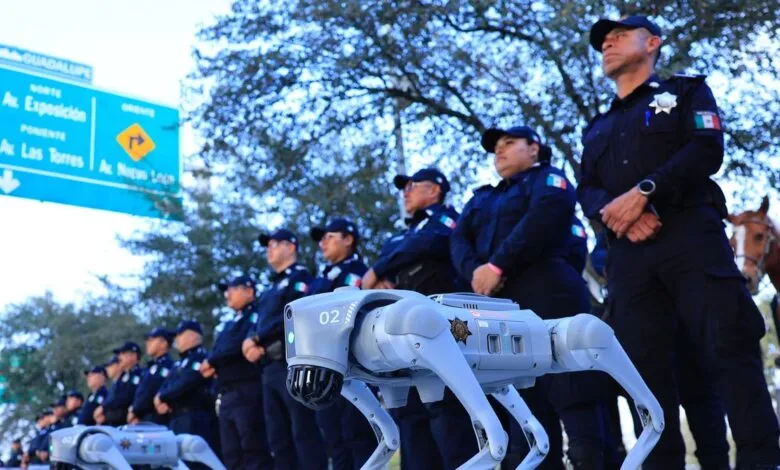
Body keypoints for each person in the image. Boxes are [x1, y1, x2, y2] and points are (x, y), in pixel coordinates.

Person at [580, 15, 780, 469]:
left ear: (652, 42)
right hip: (628, 257)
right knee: (643, 369)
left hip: (691, 236)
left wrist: (646, 192)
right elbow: (586, 189)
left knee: (730, 345)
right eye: (602, 42)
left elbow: (707, 147)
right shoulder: (596, 128)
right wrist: (625, 218)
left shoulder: (686, 92)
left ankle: (760, 461)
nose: (607, 44)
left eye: (618, 36)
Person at [450, 124, 607, 469]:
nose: (499, 152)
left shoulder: (550, 180)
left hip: (549, 292)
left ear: (534, 149)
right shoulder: (482, 197)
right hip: (499, 305)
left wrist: (497, 266)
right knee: (522, 403)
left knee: (573, 391)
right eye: (495, 148)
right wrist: (477, 271)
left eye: (509, 143)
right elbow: (458, 239)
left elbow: (542, 221)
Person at [364, 168, 477, 470]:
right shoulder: (403, 234)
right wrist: (384, 272)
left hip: (440, 328)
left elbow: (430, 243)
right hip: (403, 336)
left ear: (435, 190)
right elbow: (400, 249)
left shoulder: (448, 217)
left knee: (446, 413)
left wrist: (380, 269)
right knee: (410, 416)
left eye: (413, 186)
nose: (406, 192)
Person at [242, 228, 327, 470]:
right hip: (268, 367)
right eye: (267, 245)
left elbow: (295, 313)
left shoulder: (300, 279)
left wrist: (257, 338)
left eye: (274, 244)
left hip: (292, 362)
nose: (269, 249)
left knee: (303, 430)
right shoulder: (271, 288)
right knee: (278, 438)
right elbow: (258, 321)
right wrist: (250, 341)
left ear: (291, 247)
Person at [309, 218, 377, 470]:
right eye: (321, 238)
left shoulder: (359, 272)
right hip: (324, 368)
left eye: (329, 236)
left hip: (351, 365)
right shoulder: (322, 277)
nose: (322, 243)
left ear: (348, 239)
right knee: (335, 440)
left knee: (357, 437)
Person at [203, 275, 273, 470]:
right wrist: (214, 360)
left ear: (249, 291)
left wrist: (212, 361)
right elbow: (218, 349)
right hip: (227, 394)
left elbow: (236, 347)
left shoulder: (256, 314)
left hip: (247, 390)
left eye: (233, 289)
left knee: (253, 448)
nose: (228, 294)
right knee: (231, 453)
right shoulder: (229, 324)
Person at [156, 320, 220, 469]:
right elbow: (166, 385)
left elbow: (187, 383)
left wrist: (162, 397)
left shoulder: (200, 357)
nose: (176, 340)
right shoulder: (180, 363)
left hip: (195, 418)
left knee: (194, 462)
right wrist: (160, 396)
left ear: (193, 336)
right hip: (176, 418)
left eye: (179, 335)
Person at [129, 327, 175, 425]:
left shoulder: (167, 365)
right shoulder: (151, 366)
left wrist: (135, 411)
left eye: (152, 340)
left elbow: (151, 391)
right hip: (143, 418)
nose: (148, 343)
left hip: (156, 419)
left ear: (163, 343)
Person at [96, 341, 143, 425]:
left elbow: (126, 396)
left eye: (123, 353)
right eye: (119, 354)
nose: (119, 357)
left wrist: (104, 407)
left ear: (134, 356)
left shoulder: (137, 375)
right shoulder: (125, 377)